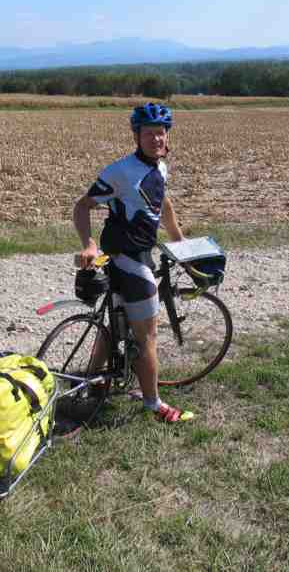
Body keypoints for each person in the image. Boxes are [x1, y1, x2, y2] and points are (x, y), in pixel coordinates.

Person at [72, 102, 193, 423]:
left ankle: (93, 381)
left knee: (116, 322)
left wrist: (178, 240)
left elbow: (162, 203)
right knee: (147, 336)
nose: (156, 139)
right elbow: (82, 206)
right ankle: (153, 403)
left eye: (161, 133)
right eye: (149, 133)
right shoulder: (121, 171)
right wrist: (88, 243)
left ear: (167, 136)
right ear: (136, 136)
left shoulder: (159, 168)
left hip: (137, 251)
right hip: (126, 256)